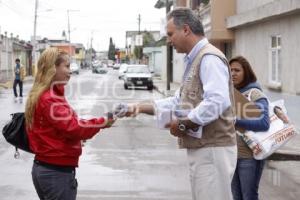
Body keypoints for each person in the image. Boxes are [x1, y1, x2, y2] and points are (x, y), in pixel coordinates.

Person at [120, 7, 237, 200]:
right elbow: (178, 102)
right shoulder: (195, 60)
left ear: (186, 30)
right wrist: (139, 107)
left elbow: (217, 101)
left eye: (170, 34)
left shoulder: (209, 58)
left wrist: (184, 123)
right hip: (204, 149)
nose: (168, 40)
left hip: (213, 149)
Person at [25, 47, 114, 200]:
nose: (70, 71)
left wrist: (75, 140)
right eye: (66, 66)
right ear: (53, 68)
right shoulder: (50, 98)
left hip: (50, 169)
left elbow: (56, 130)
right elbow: (74, 128)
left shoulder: (48, 94)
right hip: (55, 173)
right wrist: (103, 122)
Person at [229, 56, 270, 200]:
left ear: (246, 72)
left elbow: (264, 123)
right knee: (237, 196)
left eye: (237, 70)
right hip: (232, 154)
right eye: (230, 70)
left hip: (250, 155)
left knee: (249, 196)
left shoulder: (255, 94)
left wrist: (237, 121)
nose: (233, 73)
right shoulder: (230, 93)